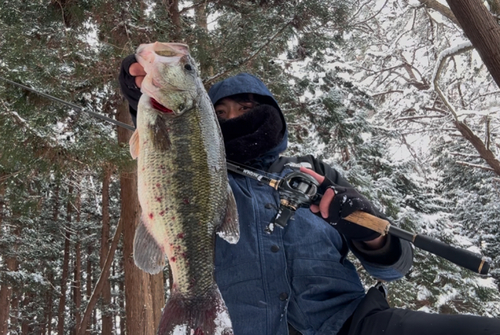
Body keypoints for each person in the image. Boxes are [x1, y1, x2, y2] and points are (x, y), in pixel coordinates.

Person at [119, 55, 500, 335]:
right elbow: (170, 150)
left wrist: (371, 233)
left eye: (248, 107)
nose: (235, 116)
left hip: (353, 325)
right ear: (206, 120)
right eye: (221, 112)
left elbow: (395, 266)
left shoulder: (317, 173)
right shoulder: (208, 180)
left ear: (272, 115)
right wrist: (143, 100)